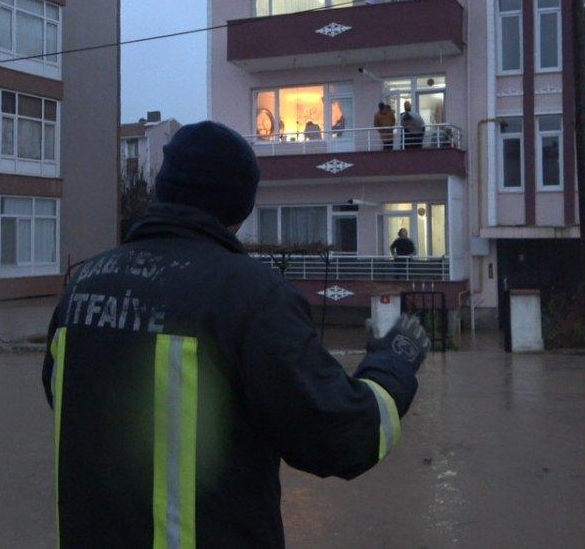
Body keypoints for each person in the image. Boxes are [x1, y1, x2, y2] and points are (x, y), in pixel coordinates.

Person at [42, 121, 430, 547]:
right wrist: (394, 361)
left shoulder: (81, 286)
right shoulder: (252, 296)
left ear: (162, 189)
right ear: (242, 207)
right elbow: (343, 436)